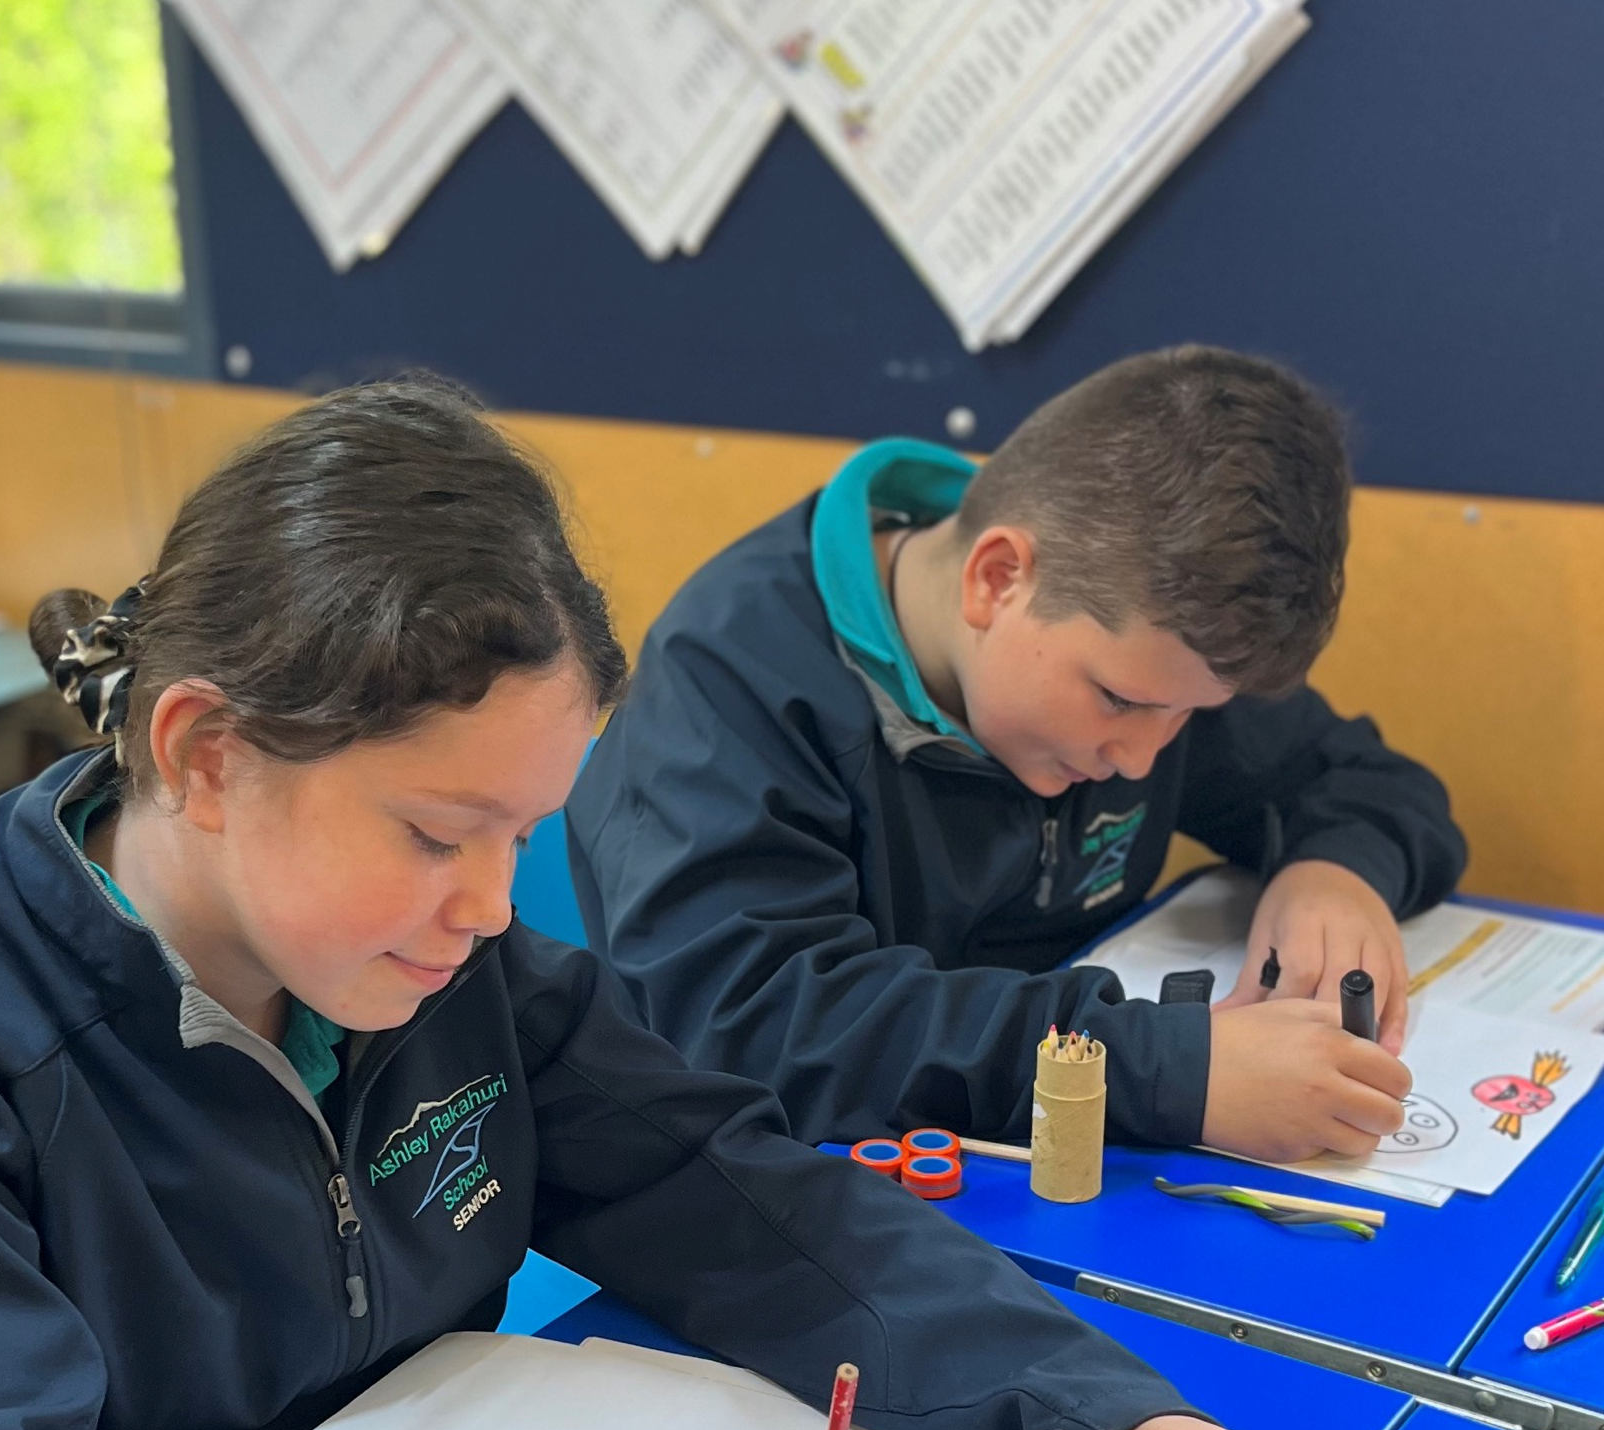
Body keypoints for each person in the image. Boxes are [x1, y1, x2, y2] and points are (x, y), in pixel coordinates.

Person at [0, 377, 1267, 1430]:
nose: (486, 906)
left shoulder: (426, 960)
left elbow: (730, 1188)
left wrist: (1077, 1396)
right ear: (204, 754)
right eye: (433, 830)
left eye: (520, 835)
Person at [567, 347, 1469, 1167]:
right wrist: (1157, 1070)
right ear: (997, 578)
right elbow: (762, 1030)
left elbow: (1366, 781)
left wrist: (1333, 870)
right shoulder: (726, 682)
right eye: (1121, 702)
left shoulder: (1146, 639)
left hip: (1046, 1160)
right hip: (805, 1197)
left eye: (1194, 716)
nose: (1142, 759)